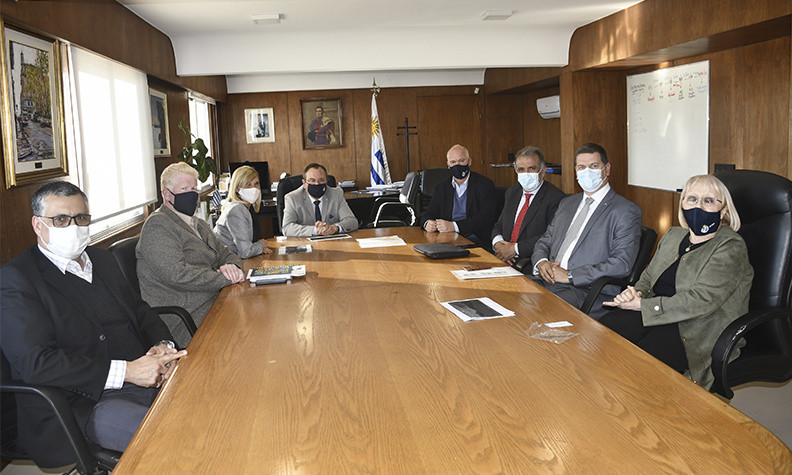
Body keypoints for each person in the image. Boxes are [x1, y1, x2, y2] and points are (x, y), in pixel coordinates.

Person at [0, 181, 187, 466]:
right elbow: (36, 364)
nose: (73, 226)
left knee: (211, 404)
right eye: (60, 220)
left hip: (145, 375)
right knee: (180, 439)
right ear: (38, 225)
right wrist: (128, 371)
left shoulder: (101, 259)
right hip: (81, 404)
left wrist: (162, 346)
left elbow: (140, 310)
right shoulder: (18, 279)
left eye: (81, 218)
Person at [600, 175, 752, 389]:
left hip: (696, 329)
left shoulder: (730, 247)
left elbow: (702, 302)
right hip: (658, 315)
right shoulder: (673, 235)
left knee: (638, 369)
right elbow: (647, 278)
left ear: (724, 210)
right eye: (691, 199)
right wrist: (637, 293)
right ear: (682, 204)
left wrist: (643, 306)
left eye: (708, 201)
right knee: (604, 333)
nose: (698, 206)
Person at [137, 162, 244, 345]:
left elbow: (226, 254)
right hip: (187, 315)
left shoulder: (198, 224)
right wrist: (226, 278)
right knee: (244, 334)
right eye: (184, 188)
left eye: (194, 188)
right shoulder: (158, 226)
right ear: (166, 194)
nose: (191, 193)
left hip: (215, 299)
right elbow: (177, 275)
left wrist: (233, 267)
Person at [532, 143, 642, 319]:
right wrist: (542, 262)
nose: (586, 172)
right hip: (546, 280)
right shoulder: (567, 203)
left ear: (606, 169)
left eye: (593, 166)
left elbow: (622, 263)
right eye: (581, 167)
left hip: (584, 290)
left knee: (537, 313)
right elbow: (545, 240)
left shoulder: (625, 211)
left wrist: (570, 276)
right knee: (510, 297)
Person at [491, 146, 565, 267]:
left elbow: (550, 236)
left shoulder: (555, 198)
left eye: (531, 168)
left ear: (543, 170)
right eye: (521, 169)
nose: (526, 173)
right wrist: (498, 245)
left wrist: (514, 249)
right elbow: (499, 225)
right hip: (503, 258)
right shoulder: (512, 192)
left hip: (529, 262)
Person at [419, 144, 498, 249]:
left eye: (461, 161)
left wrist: (454, 226)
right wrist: (427, 223)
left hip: (475, 240)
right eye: (453, 162)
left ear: (469, 161)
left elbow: (486, 218)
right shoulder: (441, 188)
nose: (457, 165)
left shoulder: (484, 185)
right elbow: (428, 213)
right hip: (446, 240)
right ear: (448, 164)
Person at [282, 163, 359, 237]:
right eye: (312, 180)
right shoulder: (292, 198)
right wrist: (315, 230)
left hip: (332, 243)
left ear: (326, 182)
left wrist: (334, 228)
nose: (317, 184)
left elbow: (352, 221)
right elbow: (287, 228)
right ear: (304, 183)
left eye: (321, 180)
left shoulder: (336, 194)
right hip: (305, 244)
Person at [214, 165, 273, 258]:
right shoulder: (236, 210)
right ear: (237, 188)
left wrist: (258, 248)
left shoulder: (248, 207)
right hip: (224, 264)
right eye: (248, 184)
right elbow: (245, 252)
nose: (253, 188)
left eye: (256, 183)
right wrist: (261, 245)